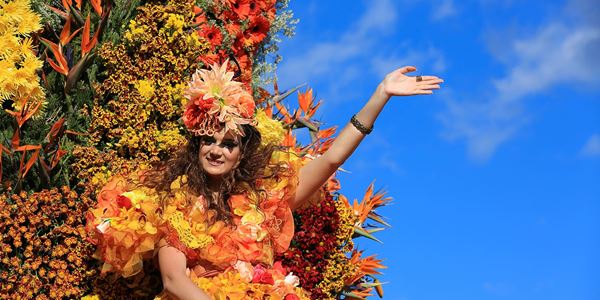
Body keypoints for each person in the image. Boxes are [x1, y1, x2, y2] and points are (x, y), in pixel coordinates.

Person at [87, 61, 442, 299]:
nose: (216, 150)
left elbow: (332, 158)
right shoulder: (174, 203)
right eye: (208, 141)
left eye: (228, 144)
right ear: (195, 147)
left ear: (241, 153)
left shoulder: (265, 200)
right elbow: (174, 280)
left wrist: (380, 95)